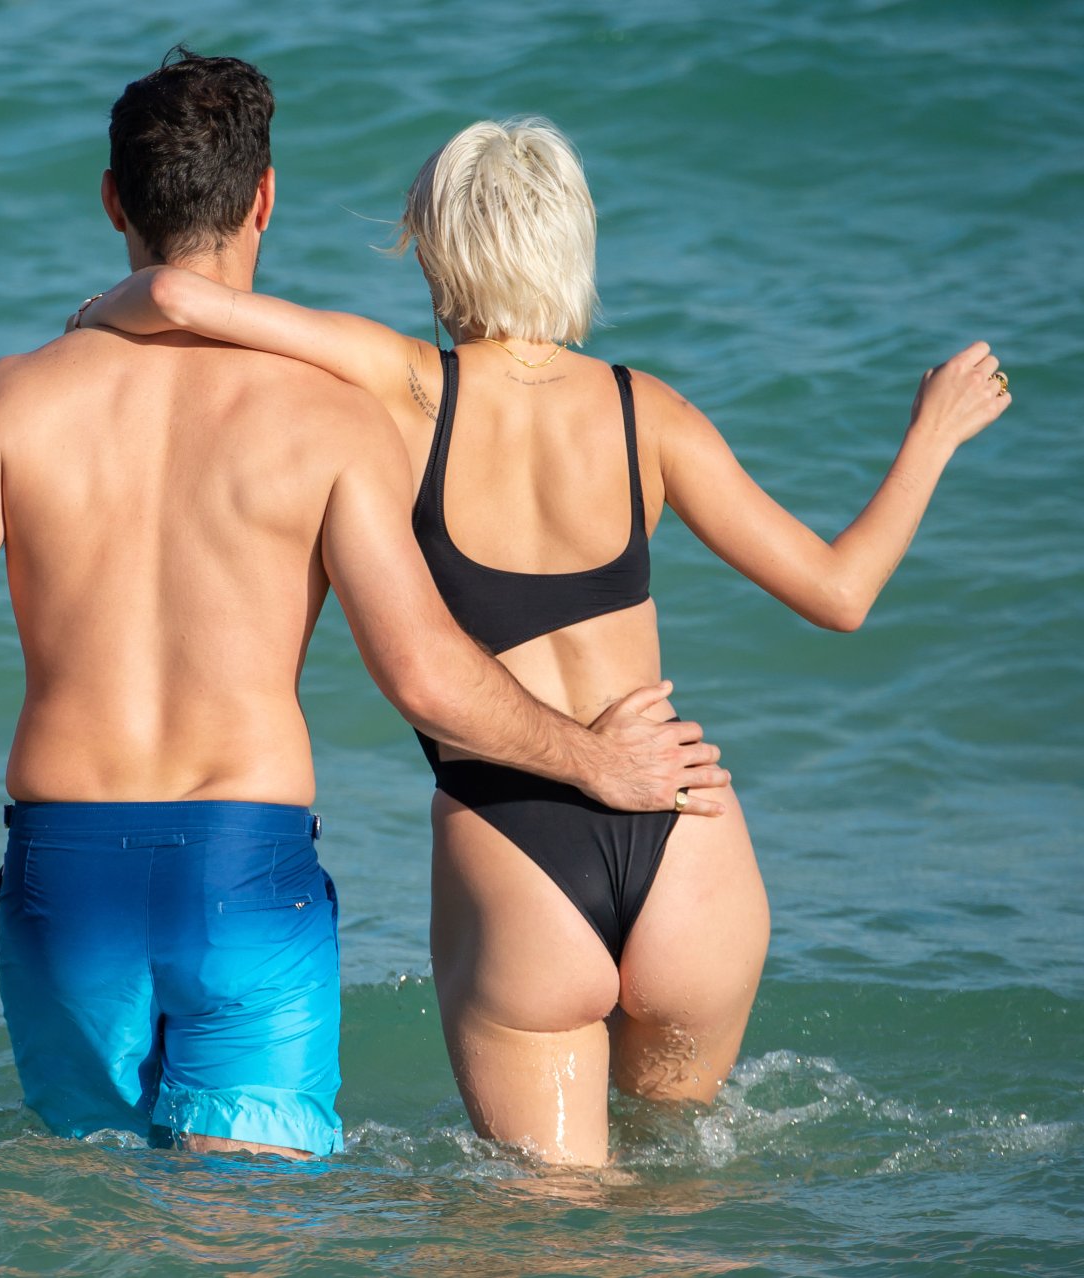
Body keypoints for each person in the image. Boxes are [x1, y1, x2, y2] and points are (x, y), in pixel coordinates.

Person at [75, 116, 1013, 1165]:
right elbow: (841, 592)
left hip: (517, 841)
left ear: (437, 250)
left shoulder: (409, 385)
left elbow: (179, 298)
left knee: (546, 1226)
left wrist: (96, 314)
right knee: (683, 1190)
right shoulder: (646, 410)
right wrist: (932, 433)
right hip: (686, 829)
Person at [0, 59, 729, 1161]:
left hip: (62, 876)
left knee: (92, 1205)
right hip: (243, 872)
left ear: (114, 201)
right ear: (264, 199)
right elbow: (423, 674)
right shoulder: (328, 419)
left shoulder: (7, 401)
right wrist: (594, 762)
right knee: (245, 1220)